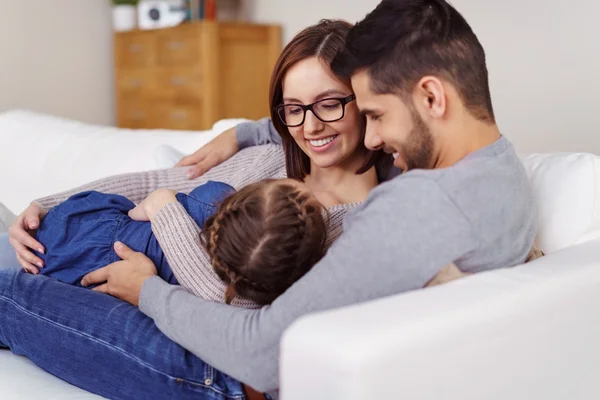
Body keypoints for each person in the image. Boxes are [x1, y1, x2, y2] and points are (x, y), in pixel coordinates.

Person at [0, 19, 389, 400]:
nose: (311, 126)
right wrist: (42, 206)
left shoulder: (363, 230)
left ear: (367, 100)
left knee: (10, 289)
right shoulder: (265, 160)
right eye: (294, 109)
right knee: (17, 244)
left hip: (196, 343)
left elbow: (241, 309)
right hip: (105, 266)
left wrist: (145, 286)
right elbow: (156, 184)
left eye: (329, 104)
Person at [33, 179, 328, 307]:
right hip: (77, 276)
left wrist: (159, 205)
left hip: (88, 227)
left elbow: (138, 210)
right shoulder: (252, 283)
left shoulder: (212, 196)